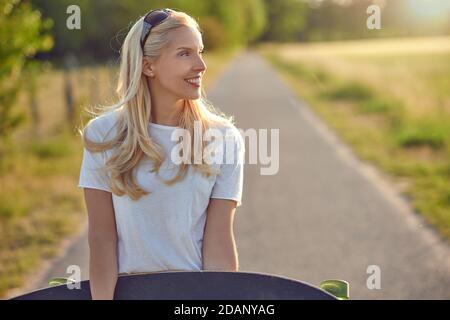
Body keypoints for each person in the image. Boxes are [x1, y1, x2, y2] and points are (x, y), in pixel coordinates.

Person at [77, 8, 245, 300]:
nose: (201, 65)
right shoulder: (103, 135)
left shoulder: (224, 138)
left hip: (195, 298)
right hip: (128, 293)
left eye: (200, 51)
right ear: (148, 66)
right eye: (185, 54)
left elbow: (218, 241)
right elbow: (102, 239)